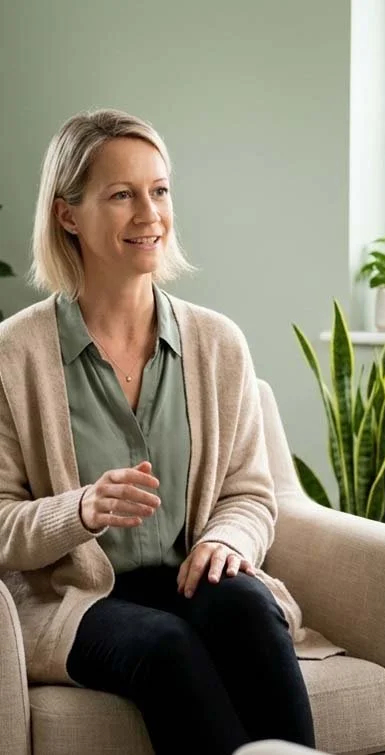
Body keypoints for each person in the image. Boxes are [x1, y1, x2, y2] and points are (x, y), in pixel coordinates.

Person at [0, 108, 315, 755]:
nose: (151, 215)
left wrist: (226, 539)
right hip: (74, 599)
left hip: (186, 578)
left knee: (251, 611)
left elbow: (250, 493)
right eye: (122, 195)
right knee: (164, 645)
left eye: (160, 190)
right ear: (67, 215)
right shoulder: (14, 355)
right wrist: (81, 509)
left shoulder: (218, 342)